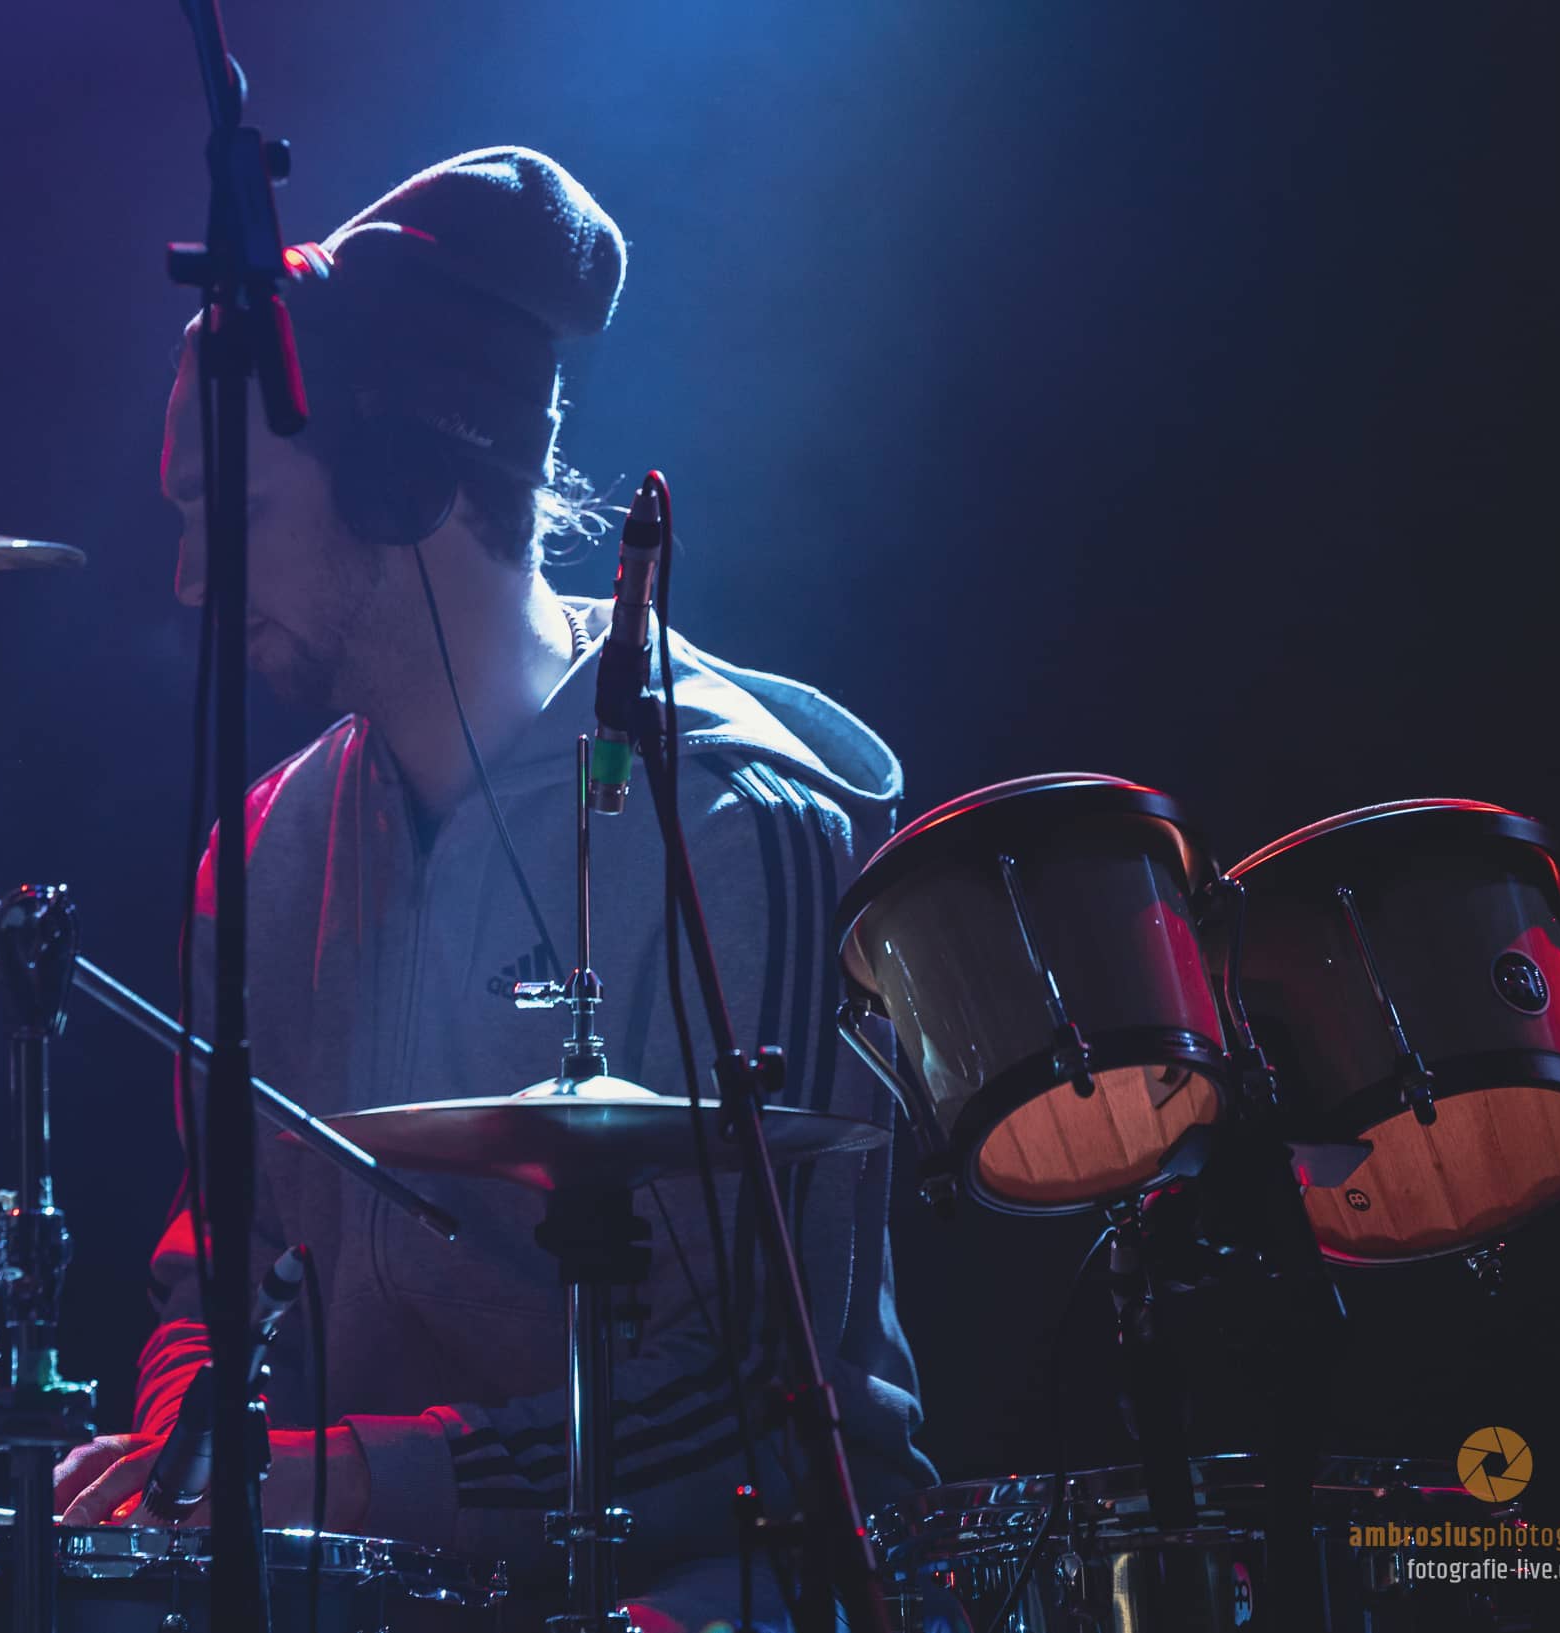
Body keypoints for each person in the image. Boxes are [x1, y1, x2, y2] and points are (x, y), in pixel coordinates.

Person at [54, 147, 932, 1630]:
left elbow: (764, 1396)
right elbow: (220, 1269)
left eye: (231, 509)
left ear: (405, 481)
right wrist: (191, 1445)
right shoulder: (259, 852)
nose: (192, 578)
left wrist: (338, 1481)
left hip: (709, 1584)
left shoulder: (736, 819)